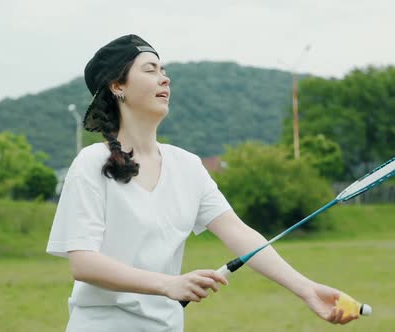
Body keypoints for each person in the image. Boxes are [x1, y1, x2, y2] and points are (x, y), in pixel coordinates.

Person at [46, 34, 358, 331]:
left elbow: (240, 234)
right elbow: (84, 264)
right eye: (150, 70)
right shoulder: (90, 164)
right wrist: (168, 284)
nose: (165, 78)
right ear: (118, 86)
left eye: (164, 70)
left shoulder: (187, 166)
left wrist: (306, 289)